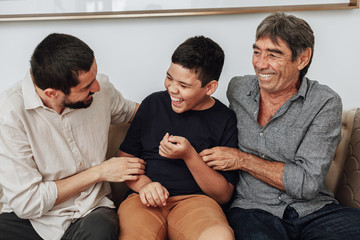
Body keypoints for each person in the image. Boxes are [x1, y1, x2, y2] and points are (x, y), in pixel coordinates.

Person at [200, 12, 360, 240]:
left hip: (314, 210)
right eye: (257, 52)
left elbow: (307, 183)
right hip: (252, 209)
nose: (260, 64)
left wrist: (241, 159)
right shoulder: (238, 90)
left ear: (303, 58)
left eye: (273, 54)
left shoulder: (324, 102)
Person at [0, 33, 146, 240]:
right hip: (31, 220)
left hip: (91, 211)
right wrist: (100, 172)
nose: (96, 87)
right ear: (51, 93)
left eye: (95, 77)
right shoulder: (10, 112)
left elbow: (142, 114)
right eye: (86, 87)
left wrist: (202, 134)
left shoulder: (101, 90)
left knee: (101, 230)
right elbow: (27, 204)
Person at [116, 36, 238, 240]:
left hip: (196, 202)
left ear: (209, 88)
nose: (172, 89)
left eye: (184, 85)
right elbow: (123, 160)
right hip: (143, 198)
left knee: (220, 236)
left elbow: (223, 194)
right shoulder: (153, 104)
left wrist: (190, 156)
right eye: (169, 78)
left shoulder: (224, 118)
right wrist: (145, 185)